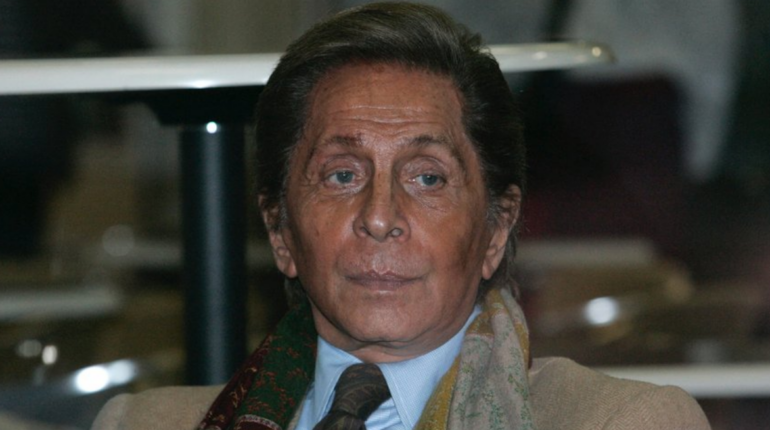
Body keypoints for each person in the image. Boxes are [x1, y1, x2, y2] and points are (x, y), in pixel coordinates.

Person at [92, 3, 710, 429]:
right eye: (342, 175)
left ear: (495, 229)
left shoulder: (618, 422)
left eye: (427, 177)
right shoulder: (145, 423)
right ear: (280, 231)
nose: (380, 216)